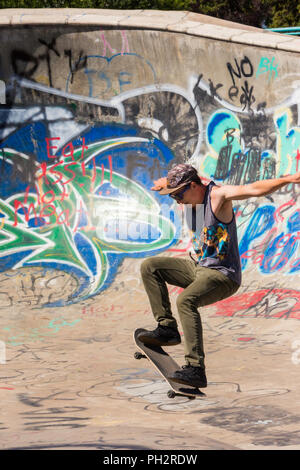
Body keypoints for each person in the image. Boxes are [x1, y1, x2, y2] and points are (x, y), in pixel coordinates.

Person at [138, 163, 300, 388]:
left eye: (178, 195)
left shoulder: (219, 196)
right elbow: (180, 182)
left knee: (185, 301)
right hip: (200, 269)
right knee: (150, 266)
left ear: (194, 186)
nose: (177, 201)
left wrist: (289, 179)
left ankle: (195, 369)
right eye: (173, 197)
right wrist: (166, 184)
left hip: (223, 275)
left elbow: (254, 188)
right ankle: (167, 328)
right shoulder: (190, 189)